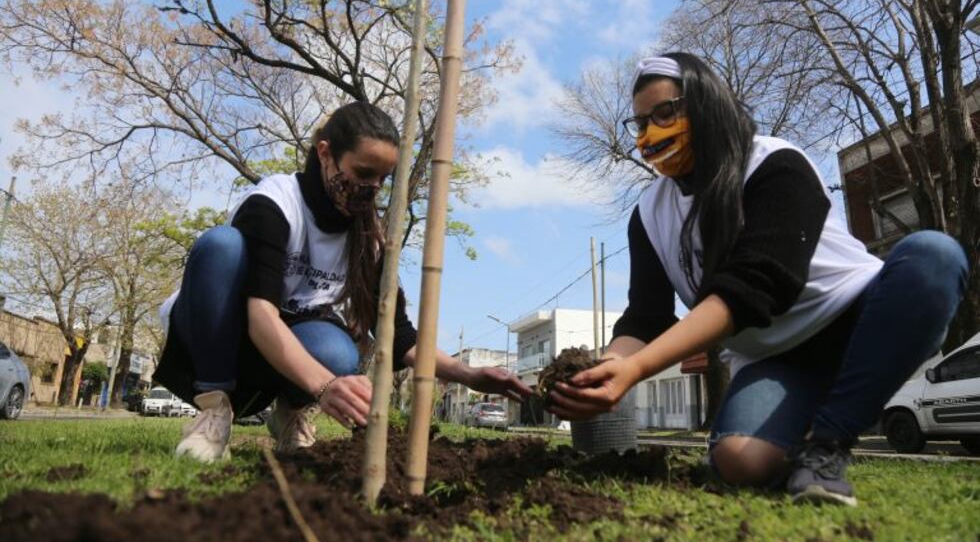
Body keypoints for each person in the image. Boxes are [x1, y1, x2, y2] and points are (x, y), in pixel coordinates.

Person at [547, 53, 968, 506]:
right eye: (641, 122)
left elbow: (756, 288)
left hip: (859, 320)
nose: (651, 133)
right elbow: (645, 317)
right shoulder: (649, 215)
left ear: (706, 102)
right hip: (776, 359)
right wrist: (604, 367)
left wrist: (637, 368)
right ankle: (802, 428)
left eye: (665, 112)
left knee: (933, 256)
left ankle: (827, 446)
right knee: (740, 462)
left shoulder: (775, 164)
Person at [154, 101, 531, 462]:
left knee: (339, 353)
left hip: (280, 360)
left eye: (382, 180)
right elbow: (261, 317)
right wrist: (324, 386)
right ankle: (214, 412)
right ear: (325, 154)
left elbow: (399, 336)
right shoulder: (273, 206)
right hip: (218, 341)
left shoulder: (370, 240)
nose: (371, 189)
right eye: (363, 173)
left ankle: (290, 413)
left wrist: (469, 374)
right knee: (221, 245)